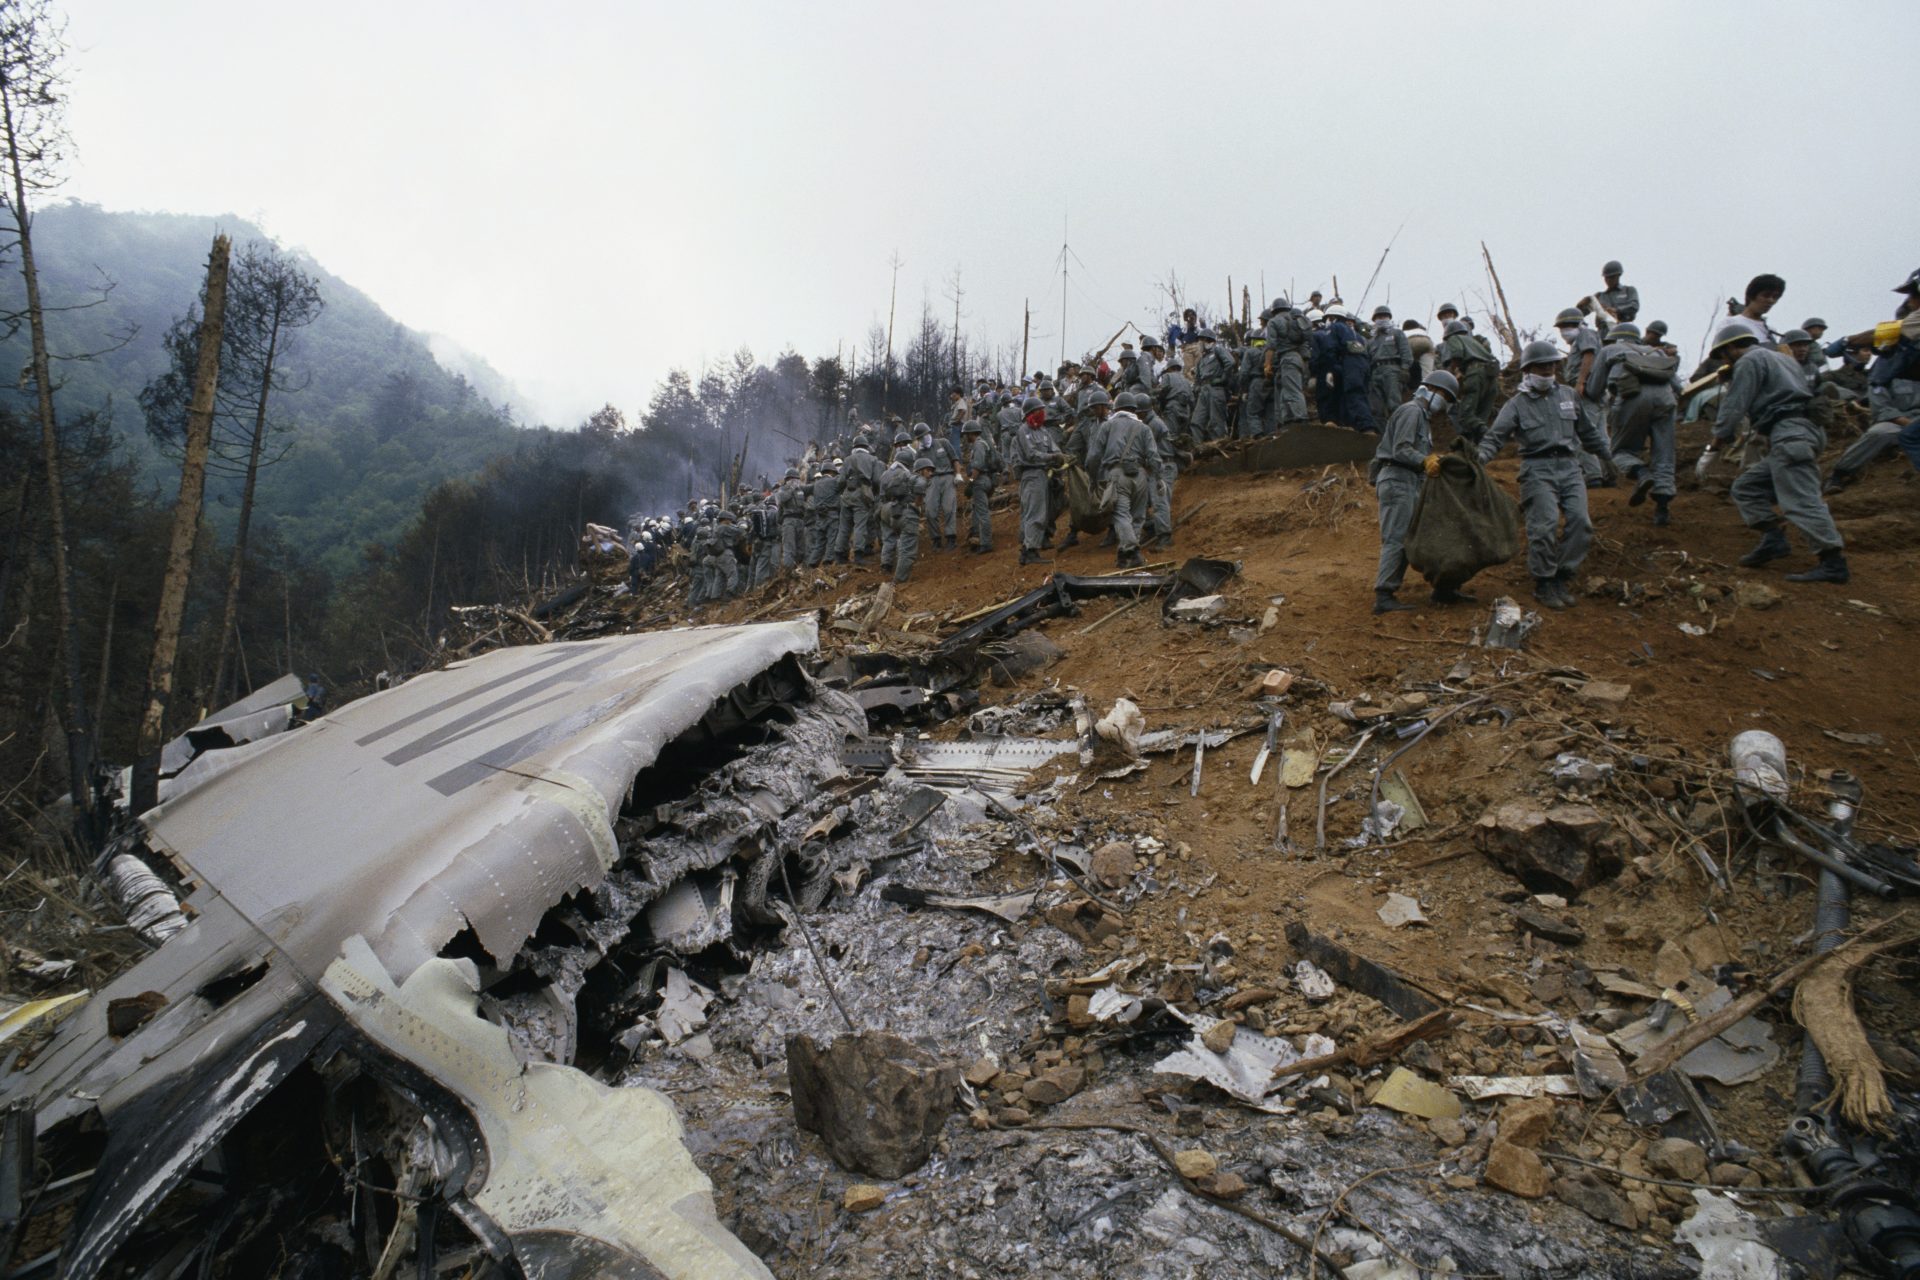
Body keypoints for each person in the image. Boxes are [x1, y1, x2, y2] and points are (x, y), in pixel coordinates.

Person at [1476, 340, 1618, 609]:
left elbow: (1588, 432)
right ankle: (1544, 582)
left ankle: (1561, 576)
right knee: (1545, 526)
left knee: (1581, 522)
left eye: (1551, 366)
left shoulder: (1568, 396)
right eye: (1541, 368)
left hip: (1569, 467)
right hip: (1537, 469)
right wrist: (1479, 459)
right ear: (1527, 371)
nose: (1547, 372)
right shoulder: (1516, 405)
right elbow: (1494, 438)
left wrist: (1609, 458)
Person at [1704, 325, 1848, 584]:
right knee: (1747, 487)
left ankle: (1833, 562)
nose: (1724, 361)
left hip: (1791, 433)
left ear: (1730, 348)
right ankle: (1774, 540)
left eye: (1723, 355)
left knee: (1801, 500)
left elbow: (1735, 404)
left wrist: (1714, 445)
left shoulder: (1749, 360)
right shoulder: (1784, 358)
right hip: (1802, 431)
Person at [1592, 324, 1680, 526]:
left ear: (1615, 338)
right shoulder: (1657, 352)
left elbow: (1595, 388)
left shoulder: (1609, 350)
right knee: (1665, 453)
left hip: (1631, 398)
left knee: (1620, 451)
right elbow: (1678, 386)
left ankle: (1642, 473)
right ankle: (1662, 508)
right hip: (1666, 399)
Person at [1098, 390, 1160, 568]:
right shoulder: (1144, 427)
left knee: (1121, 514)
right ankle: (1125, 556)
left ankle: (1132, 551)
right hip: (1140, 475)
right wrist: (1158, 478)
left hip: (1117, 474)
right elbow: (1154, 457)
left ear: (1115, 408)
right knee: (1138, 516)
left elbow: (1094, 455)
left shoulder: (1107, 426)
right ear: (1134, 409)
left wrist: (1096, 478)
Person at [1556, 307, 1613, 486]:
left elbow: (1588, 355)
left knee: (1580, 436)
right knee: (1601, 437)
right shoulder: (1580, 339)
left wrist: (1580, 382)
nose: (1564, 331)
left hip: (1586, 392)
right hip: (1594, 394)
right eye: (1562, 327)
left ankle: (1593, 475)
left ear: (1578, 324)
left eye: (1567, 326)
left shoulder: (1586, 334)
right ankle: (1610, 475)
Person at [1008, 394, 1061, 564]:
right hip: (1031, 474)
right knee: (1034, 513)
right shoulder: (1024, 431)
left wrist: (1059, 457)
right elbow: (1031, 454)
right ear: (1031, 413)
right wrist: (1052, 457)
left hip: (1044, 474)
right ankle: (1030, 551)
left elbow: (1055, 449)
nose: (1042, 413)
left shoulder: (1043, 431)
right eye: (1039, 411)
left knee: (1041, 512)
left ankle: (1029, 548)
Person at [1439, 318, 1499, 442]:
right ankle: (1478, 448)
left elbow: (1457, 354)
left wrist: (1451, 373)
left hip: (1475, 375)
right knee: (1480, 417)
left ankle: (1490, 437)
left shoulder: (1454, 338)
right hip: (1492, 378)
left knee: (1465, 416)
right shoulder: (1474, 342)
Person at [1263, 298, 1313, 426]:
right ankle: (1288, 420)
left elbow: (1271, 346)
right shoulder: (1296, 320)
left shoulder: (1274, 322)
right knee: (1285, 389)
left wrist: (1267, 364)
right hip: (1298, 359)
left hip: (1287, 358)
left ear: (1273, 310)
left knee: (1292, 389)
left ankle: (1301, 418)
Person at [1367, 306, 1413, 423]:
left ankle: (1398, 430)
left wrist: (1405, 369)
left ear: (1389, 318)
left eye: (1384, 316)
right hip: (1375, 372)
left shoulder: (1397, 333)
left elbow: (1405, 352)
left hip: (1392, 370)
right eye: (1379, 317)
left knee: (1394, 403)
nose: (1381, 319)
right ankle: (1380, 435)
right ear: (1374, 320)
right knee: (1376, 407)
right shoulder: (1372, 340)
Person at [1190, 329, 1233, 442]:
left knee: (1216, 421)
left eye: (1200, 340)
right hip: (1203, 391)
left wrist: (1222, 379)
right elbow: (1197, 379)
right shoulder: (1201, 360)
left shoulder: (1218, 350)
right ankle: (1197, 447)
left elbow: (1230, 363)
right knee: (1196, 421)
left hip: (1216, 389)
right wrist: (1196, 388)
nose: (1199, 343)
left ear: (1207, 340)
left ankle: (1219, 446)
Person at [962, 418, 998, 553]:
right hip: (987, 480)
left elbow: (978, 466)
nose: (965, 437)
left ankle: (986, 543)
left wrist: (970, 483)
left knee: (982, 513)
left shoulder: (978, 445)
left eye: (966, 434)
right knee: (977, 510)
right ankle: (976, 536)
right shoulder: (983, 444)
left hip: (981, 481)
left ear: (971, 434)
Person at [922, 427, 959, 550]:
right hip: (932, 480)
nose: (923, 438)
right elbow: (917, 469)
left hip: (948, 476)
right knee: (930, 511)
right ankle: (936, 539)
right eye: (920, 437)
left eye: (924, 435)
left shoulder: (943, 442)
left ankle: (951, 537)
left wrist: (957, 474)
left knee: (949, 508)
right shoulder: (920, 451)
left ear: (929, 433)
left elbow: (955, 459)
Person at [808, 460, 839, 566]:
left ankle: (812, 563)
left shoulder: (816, 484)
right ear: (832, 471)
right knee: (832, 539)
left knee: (819, 542)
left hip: (820, 517)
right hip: (832, 515)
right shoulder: (834, 481)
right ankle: (828, 561)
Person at [1593, 260, 1640, 331]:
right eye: (1606, 278)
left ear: (1618, 276)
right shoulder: (1600, 296)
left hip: (1624, 329)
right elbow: (1582, 312)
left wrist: (1616, 310)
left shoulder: (1628, 290)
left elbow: (1634, 306)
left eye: (1611, 277)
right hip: (1604, 332)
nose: (1608, 280)